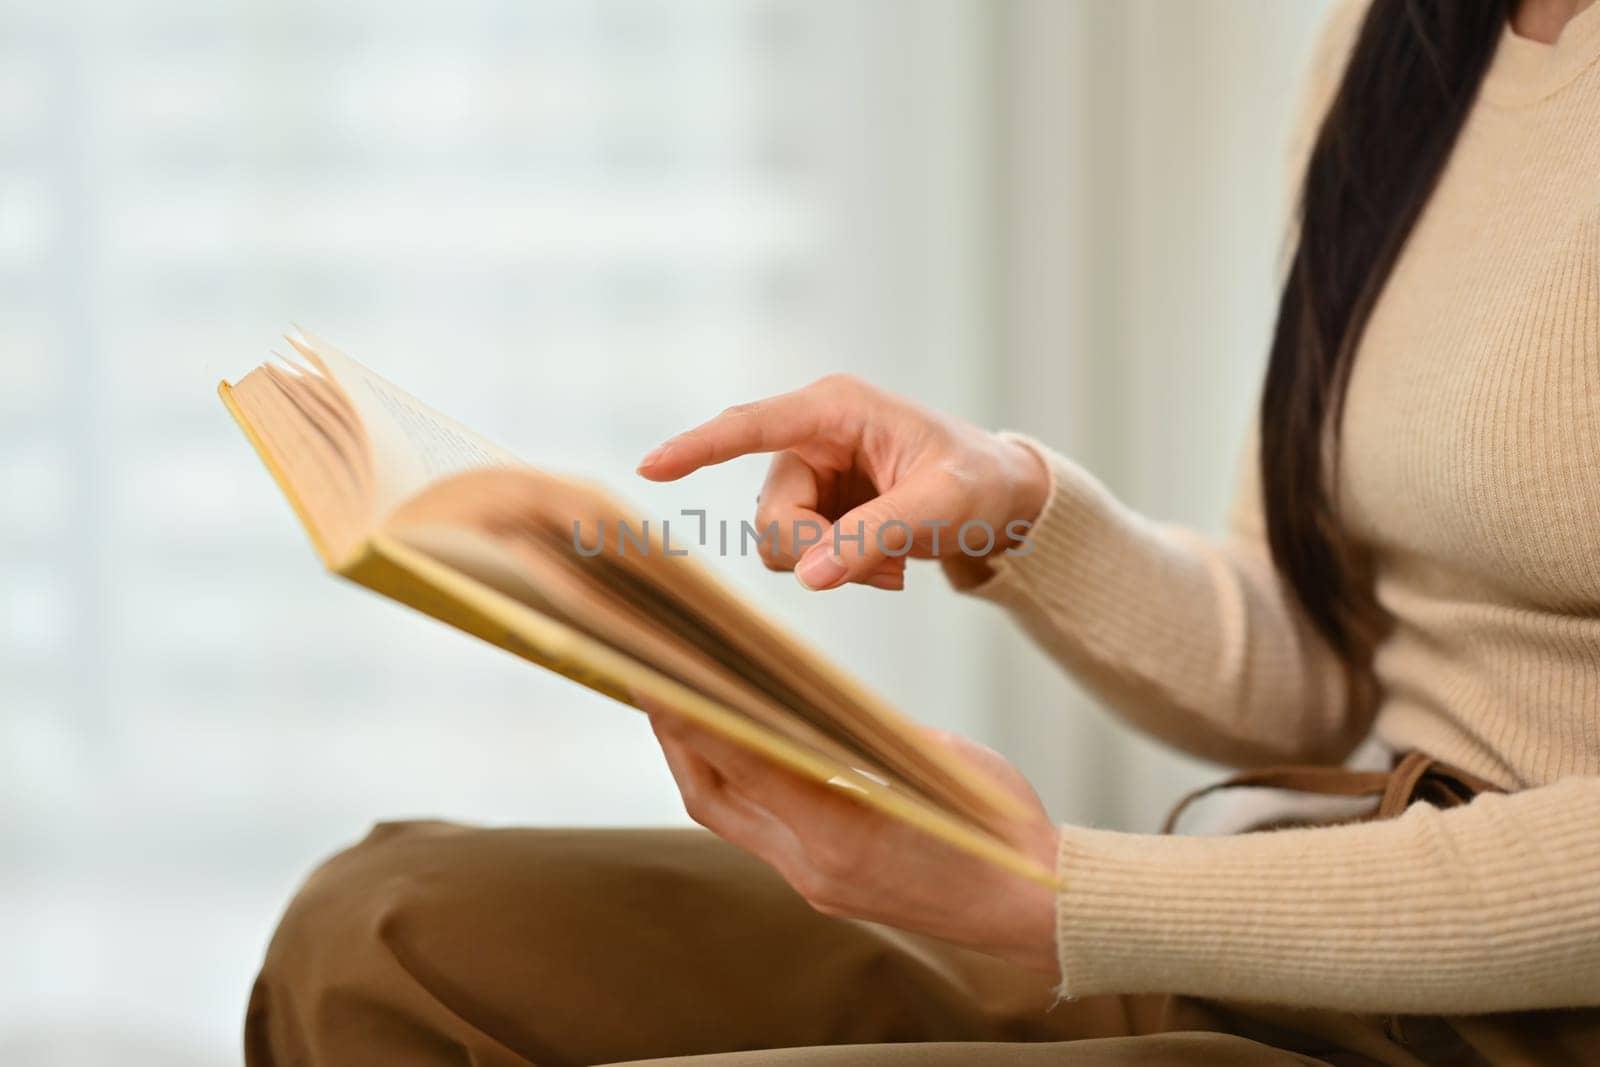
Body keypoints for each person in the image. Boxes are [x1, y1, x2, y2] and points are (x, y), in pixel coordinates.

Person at [244, 1, 1600, 1063]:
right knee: (374, 925)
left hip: (1528, 1007)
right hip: (1329, 921)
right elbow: (1320, 665)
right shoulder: (1405, 45)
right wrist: (1010, 507)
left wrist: (1056, 897)